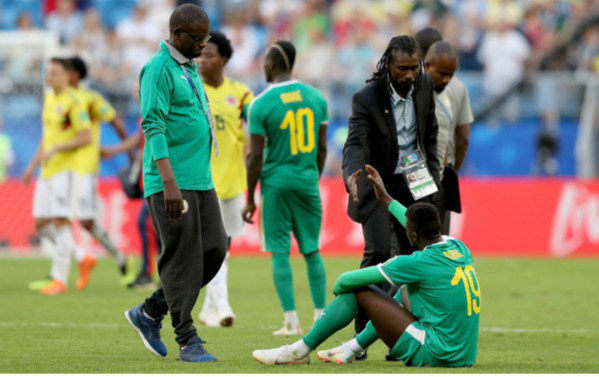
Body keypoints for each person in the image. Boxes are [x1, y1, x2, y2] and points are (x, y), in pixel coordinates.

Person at [252, 164, 480, 368]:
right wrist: (387, 199)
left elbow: (345, 281)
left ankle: (297, 351)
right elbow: (411, 221)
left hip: (435, 352)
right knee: (404, 290)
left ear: (411, 233)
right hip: (464, 355)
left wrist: (342, 294)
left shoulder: (414, 263)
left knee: (359, 291)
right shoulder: (458, 246)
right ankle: (350, 348)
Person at [123, 4, 228, 363]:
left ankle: (151, 310)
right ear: (176, 34)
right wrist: (168, 182)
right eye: (198, 39)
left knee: (214, 250)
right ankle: (187, 339)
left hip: (200, 178)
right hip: (172, 181)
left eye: (206, 38)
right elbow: (153, 125)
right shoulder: (157, 68)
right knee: (181, 257)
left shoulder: (188, 66)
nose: (204, 45)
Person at [342, 35, 441, 354]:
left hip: (414, 182)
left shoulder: (424, 86)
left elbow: (429, 134)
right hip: (375, 182)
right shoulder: (367, 96)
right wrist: (353, 172)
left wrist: (433, 180)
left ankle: (404, 332)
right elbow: (355, 141)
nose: (410, 75)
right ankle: (361, 330)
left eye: (415, 68)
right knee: (379, 252)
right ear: (389, 65)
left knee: (416, 258)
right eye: (403, 68)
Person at [242, 41, 328, 336]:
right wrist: (310, 176)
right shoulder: (317, 97)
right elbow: (323, 147)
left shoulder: (261, 104)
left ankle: (291, 322)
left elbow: (254, 157)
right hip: (306, 181)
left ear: (273, 64)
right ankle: (320, 317)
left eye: (265, 62)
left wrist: (250, 196)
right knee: (312, 250)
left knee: (279, 251)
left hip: (276, 183)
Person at [22, 57, 95, 295]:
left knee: (60, 221)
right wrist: (32, 165)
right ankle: (82, 256)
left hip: (66, 170)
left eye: (54, 72)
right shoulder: (49, 99)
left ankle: (59, 280)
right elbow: (47, 137)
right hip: (47, 171)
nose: (48, 76)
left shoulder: (74, 101)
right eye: (47, 72)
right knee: (41, 224)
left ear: (66, 75)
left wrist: (58, 149)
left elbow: (86, 136)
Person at [196, 30, 254, 328]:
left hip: (232, 181)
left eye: (209, 54)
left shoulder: (241, 93)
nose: (202, 59)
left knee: (223, 248)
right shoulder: (192, 89)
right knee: (212, 246)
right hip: (201, 182)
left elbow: (256, 132)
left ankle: (207, 310)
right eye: (201, 54)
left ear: (224, 59)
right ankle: (223, 305)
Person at [68, 56, 130, 277]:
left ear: (74, 75)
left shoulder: (90, 99)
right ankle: (59, 273)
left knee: (85, 221)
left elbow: (115, 120)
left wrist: (128, 150)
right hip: (60, 169)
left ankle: (119, 255)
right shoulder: (56, 100)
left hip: (84, 168)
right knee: (53, 219)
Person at [415, 28, 473, 234]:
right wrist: (452, 169)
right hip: (443, 169)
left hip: (412, 171)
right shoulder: (458, 87)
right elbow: (463, 138)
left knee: (405, 242)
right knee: (438, 241)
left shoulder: (407, 83)